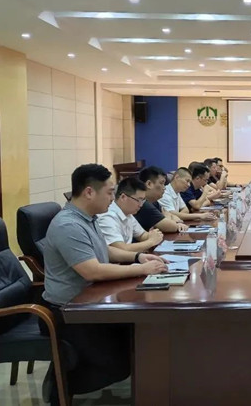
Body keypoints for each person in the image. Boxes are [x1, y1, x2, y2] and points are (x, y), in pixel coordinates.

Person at [39, 164, 168, 405]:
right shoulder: (69, 225)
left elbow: (105, 251)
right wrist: (141, 269)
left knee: (139, 339)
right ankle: (60, 384)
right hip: (67, 311)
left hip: (91, 300)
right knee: (118, 366)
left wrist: (138, 257)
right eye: (109, 192)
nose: (113, 198)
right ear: (89, 192)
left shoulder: (89, 218)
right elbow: (92, 270)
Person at [97, 177, 164, 252]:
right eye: (138, 200)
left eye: (142, 200)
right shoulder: (107, 217)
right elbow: (121, 249)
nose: (141, 205)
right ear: (123, 197)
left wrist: (154, 235)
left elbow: (142, 235)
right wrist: (151, 241)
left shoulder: (128, 213)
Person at [134, 166, 188, 233]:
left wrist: (173, 220)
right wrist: (173, 222)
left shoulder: (154, 202)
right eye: (161, 183)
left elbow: (171, 215)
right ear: (149, 184)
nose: (164, 188)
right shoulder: (143, 204)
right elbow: (170, 227)